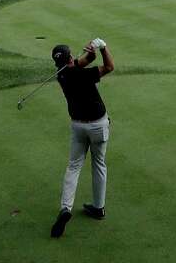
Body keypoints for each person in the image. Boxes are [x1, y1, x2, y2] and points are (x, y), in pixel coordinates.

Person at [50, 38, 114, 238]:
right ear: (70, 57)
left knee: (74, 166)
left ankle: (66, 208)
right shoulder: (84, 75)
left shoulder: (61, 75)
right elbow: (110, 67)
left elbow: (80, 62)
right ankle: (98, 207)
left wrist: (91, 53)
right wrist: (103, 48)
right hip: (97, 125)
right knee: (99, 164)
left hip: (78, 125)